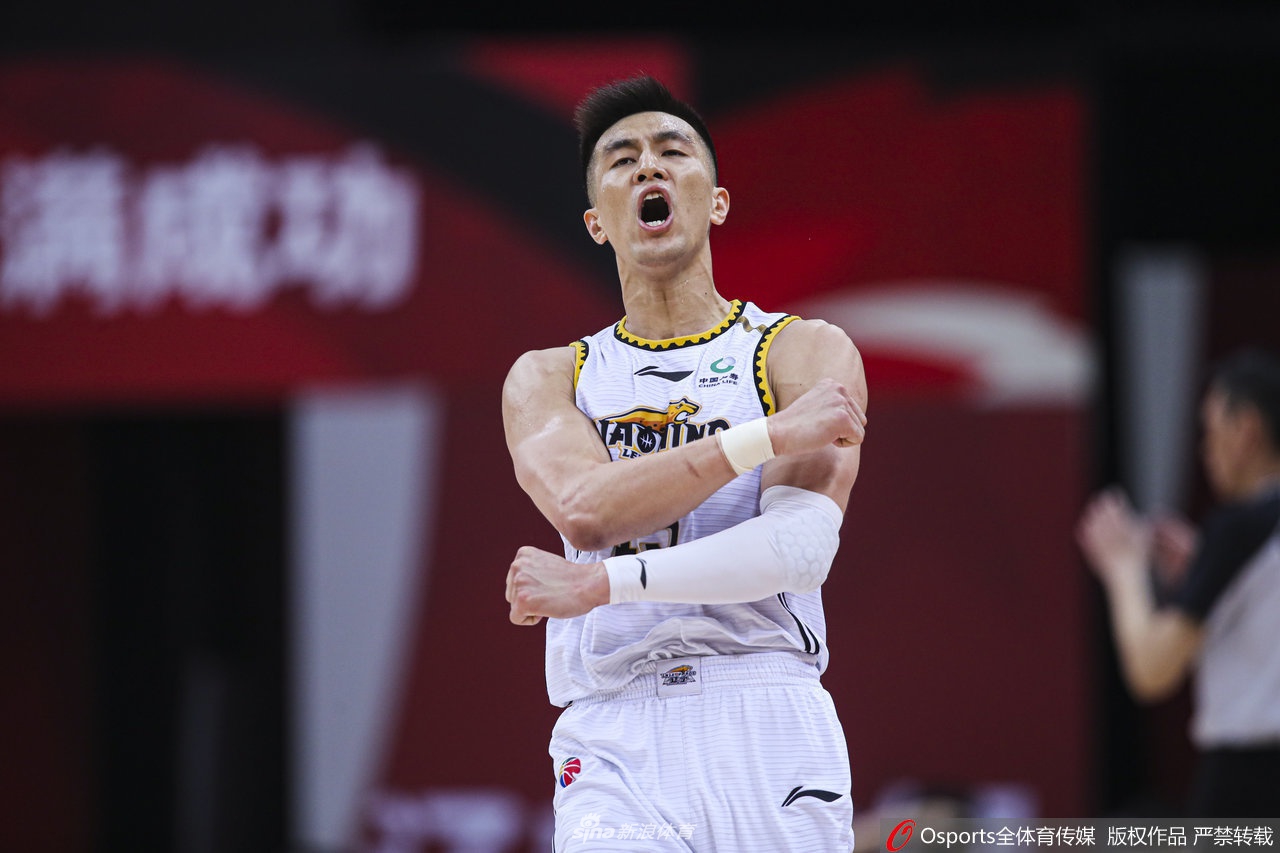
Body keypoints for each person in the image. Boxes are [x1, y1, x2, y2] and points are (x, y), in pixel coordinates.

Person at [502, 76, 868, 850]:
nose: (648, 166)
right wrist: (765, 437)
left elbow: (798, 551)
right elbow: (588, 511)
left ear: (718, 201)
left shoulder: (801, 351)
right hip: (616, 727)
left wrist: (602, 584)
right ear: (597, 222)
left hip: (764, 706)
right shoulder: (549, 376)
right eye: (622, 158)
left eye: (672, 151)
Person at [1077, 347, 1280, 817]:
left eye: (1211, 430)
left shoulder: (1240, 528)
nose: (1205, 450)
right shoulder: (1250, 543)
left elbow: (1151, 669)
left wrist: (1122, 568)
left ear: (1245, 429)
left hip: (1248, 779)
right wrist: (1202, 571)